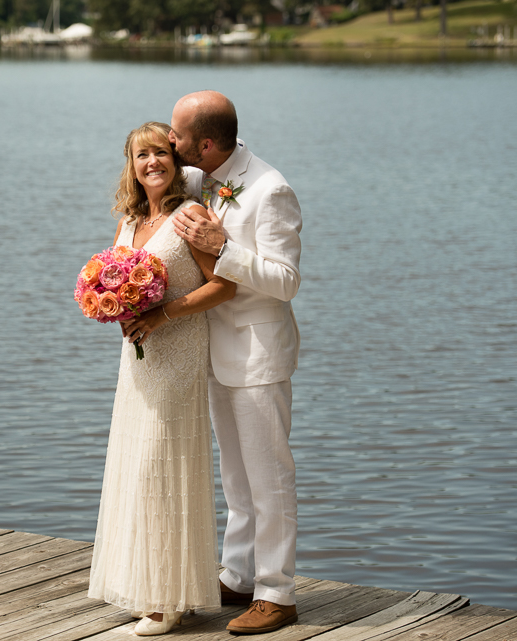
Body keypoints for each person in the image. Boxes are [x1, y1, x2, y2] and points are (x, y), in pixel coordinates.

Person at [87, 121, 236, 637]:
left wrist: (163, 314)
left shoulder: (188, 215)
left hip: (178, 352)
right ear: (130, 165)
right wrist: (113, 305)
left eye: (159, 152)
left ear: (175, 161)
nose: (151, 162)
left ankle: (169, 600)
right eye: (140, 155)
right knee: (137, 466)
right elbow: (116, 274)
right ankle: (163, 586)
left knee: (163, 465)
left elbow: (223, 286)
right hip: (138, 358)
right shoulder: (130, 220)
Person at [170, 91, 303, 635]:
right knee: (236, 476)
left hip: (258, 353)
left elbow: (286, 281)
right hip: (217, 349)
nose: (171, 142)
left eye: (177, 136)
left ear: (204, 143)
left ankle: (279, 592)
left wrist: (223, 248)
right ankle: (239, 575)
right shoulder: (205, 173)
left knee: (269, 477)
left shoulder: (272, 189)